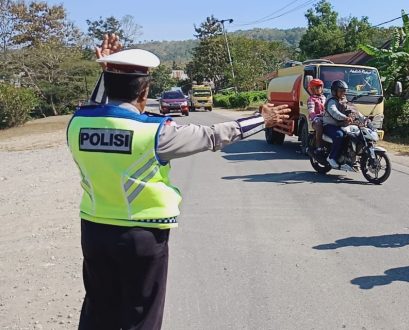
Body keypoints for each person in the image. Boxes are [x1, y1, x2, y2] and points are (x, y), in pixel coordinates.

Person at [69, 36, 291, 329]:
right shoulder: (155, 133)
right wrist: (262, 120)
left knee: (98, 309)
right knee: (141, 315)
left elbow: (97, 107)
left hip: (95, 230)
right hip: (143, 234)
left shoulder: (78, 124)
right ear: (144, 91)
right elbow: (214, 135)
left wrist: (109, 70)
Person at [323, 80, 353, 170]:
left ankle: (346, 157)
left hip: (340, 124)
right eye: (340, 91)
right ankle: (332, 157)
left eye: (344, 91)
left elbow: (353, 110)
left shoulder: (343, 100)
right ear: (334, 91)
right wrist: (345, 117)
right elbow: (334, 112)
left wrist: (364, 118)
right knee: (339, 135)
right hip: (329, 125)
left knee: (352, 135)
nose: (343, 93)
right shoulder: (331, 101)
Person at [306, 78, 326, 153]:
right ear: (312, 89)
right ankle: (319, 146)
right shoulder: (311, 99)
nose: (318, 89)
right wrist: (315, 118)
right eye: (316, 88)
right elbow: (311, 111)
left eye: (320, 87)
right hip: (316, 120)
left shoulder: (324, 98)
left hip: (326, 118)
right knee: (319, 126)